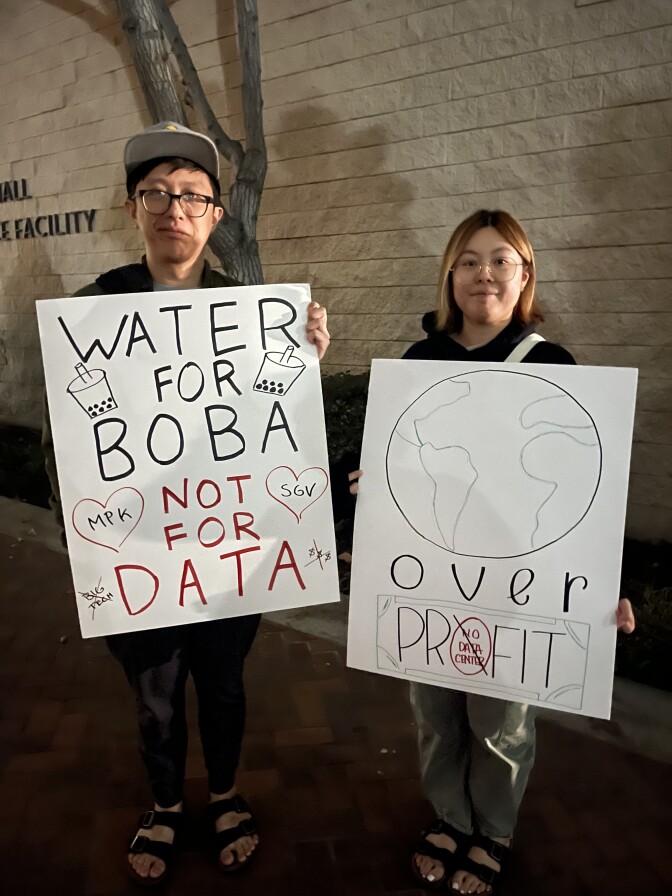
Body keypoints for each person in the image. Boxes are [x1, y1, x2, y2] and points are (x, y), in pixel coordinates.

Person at [42, 121, 330, 886]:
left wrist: (302, 360)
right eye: (156, 193)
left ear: (215, 214)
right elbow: (70, 440)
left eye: (192, 195)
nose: (174, 208)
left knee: (225, 682)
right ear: (133, 208)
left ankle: (227, 792)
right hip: (142, 554)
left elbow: (277, 430)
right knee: (157, 694)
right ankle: (168, 802)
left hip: (230, 543)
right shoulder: (95, 312)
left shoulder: (252, 313)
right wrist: (88, 534)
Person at [349, 209, 635, 895]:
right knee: (436, 715)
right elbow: (400, 470)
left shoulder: (555, 367)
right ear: (450, 274)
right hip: (431, 586)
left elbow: (580, 491)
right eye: (470, 259)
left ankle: (493, 832)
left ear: (525, 274)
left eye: (501, 259)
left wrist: (605, 584)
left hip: (515, 589)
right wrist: (369, 489)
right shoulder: (418, 364)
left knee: (502, 722)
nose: (485, 273)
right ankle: (449, 818)